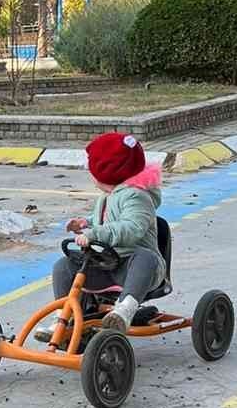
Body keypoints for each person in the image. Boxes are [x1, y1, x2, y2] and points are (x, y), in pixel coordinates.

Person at [36, 132, 167, 340]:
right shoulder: (107, 197)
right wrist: (85, 223)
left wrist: (94, 233)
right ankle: (65, 317)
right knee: (63, 265)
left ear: (107, 173)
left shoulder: (138, 197)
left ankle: (124, 310)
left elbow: (132, 228)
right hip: (106, 265)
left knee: (145, 257)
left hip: (133, 269)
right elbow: (106, 219)